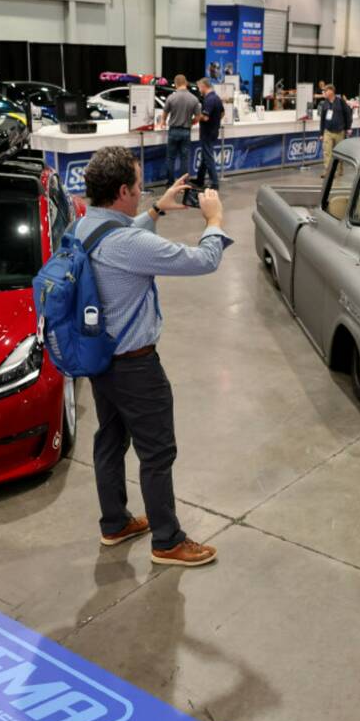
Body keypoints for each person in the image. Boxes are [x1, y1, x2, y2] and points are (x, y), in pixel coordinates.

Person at [77, 147, 232, 567]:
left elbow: (116, 240)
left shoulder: (82, 227)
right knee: (157, 453)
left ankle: (114, 522)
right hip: (136, 366)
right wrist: (214, 220)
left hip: (99, 360)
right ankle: (167, 540)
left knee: (109, 439)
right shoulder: (130, 242)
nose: (144, 191)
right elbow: (204, 260)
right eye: (140, 187)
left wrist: (156, 211)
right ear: (124, 190)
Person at [157, 75, 200, 187]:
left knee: (170, 158)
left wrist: (162, 122)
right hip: (186, 131)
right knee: (184, 158)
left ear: (176, 84)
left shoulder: (171, 97)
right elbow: (198, 116)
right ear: (185, 83)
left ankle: (170, 182)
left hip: (173, 131)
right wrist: (192, 122)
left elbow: (165, 113)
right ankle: (184, 183)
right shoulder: (194, 99)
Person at [317, 84, 352, 178]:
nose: (324, 92)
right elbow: (322, 120)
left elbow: (348, 115)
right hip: (328, 131)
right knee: (327, 152)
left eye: (326, 91)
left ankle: (339, 170)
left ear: (331, 91)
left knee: (339, 153)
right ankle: (328, 172)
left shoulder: (341, 102)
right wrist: (321, 133)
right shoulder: (325, 103)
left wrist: (348, 128)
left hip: (340, 132)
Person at [195, 78, 224, 189]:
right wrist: (215, 122)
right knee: (205, 156)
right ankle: (200, 179)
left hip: (207, 132)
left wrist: (197, 117)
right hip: (213, 131)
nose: (199, 90)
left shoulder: (209, 100)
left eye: (199, 87)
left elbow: (205, 117)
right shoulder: (216, 98)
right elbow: (222, 113)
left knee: (208, 157)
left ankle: (215, 183)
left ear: (203, 86)